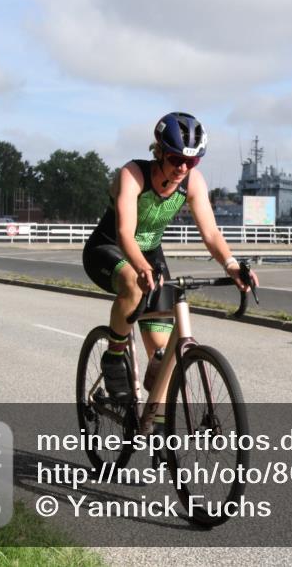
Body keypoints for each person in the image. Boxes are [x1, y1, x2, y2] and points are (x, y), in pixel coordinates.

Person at [82, 112, 258, 406]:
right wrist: (141, 267)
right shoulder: (133, 174)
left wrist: (231, 265)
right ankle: (113, 357)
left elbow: (211, 233)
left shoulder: (192, 182)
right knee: (132, 284)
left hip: (151, 254)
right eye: (177, 159)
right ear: (160, 152)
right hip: (109, 248)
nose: (183, 168)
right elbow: (125, 233)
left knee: (162, 357)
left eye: (192, 161)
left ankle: (157, 422)